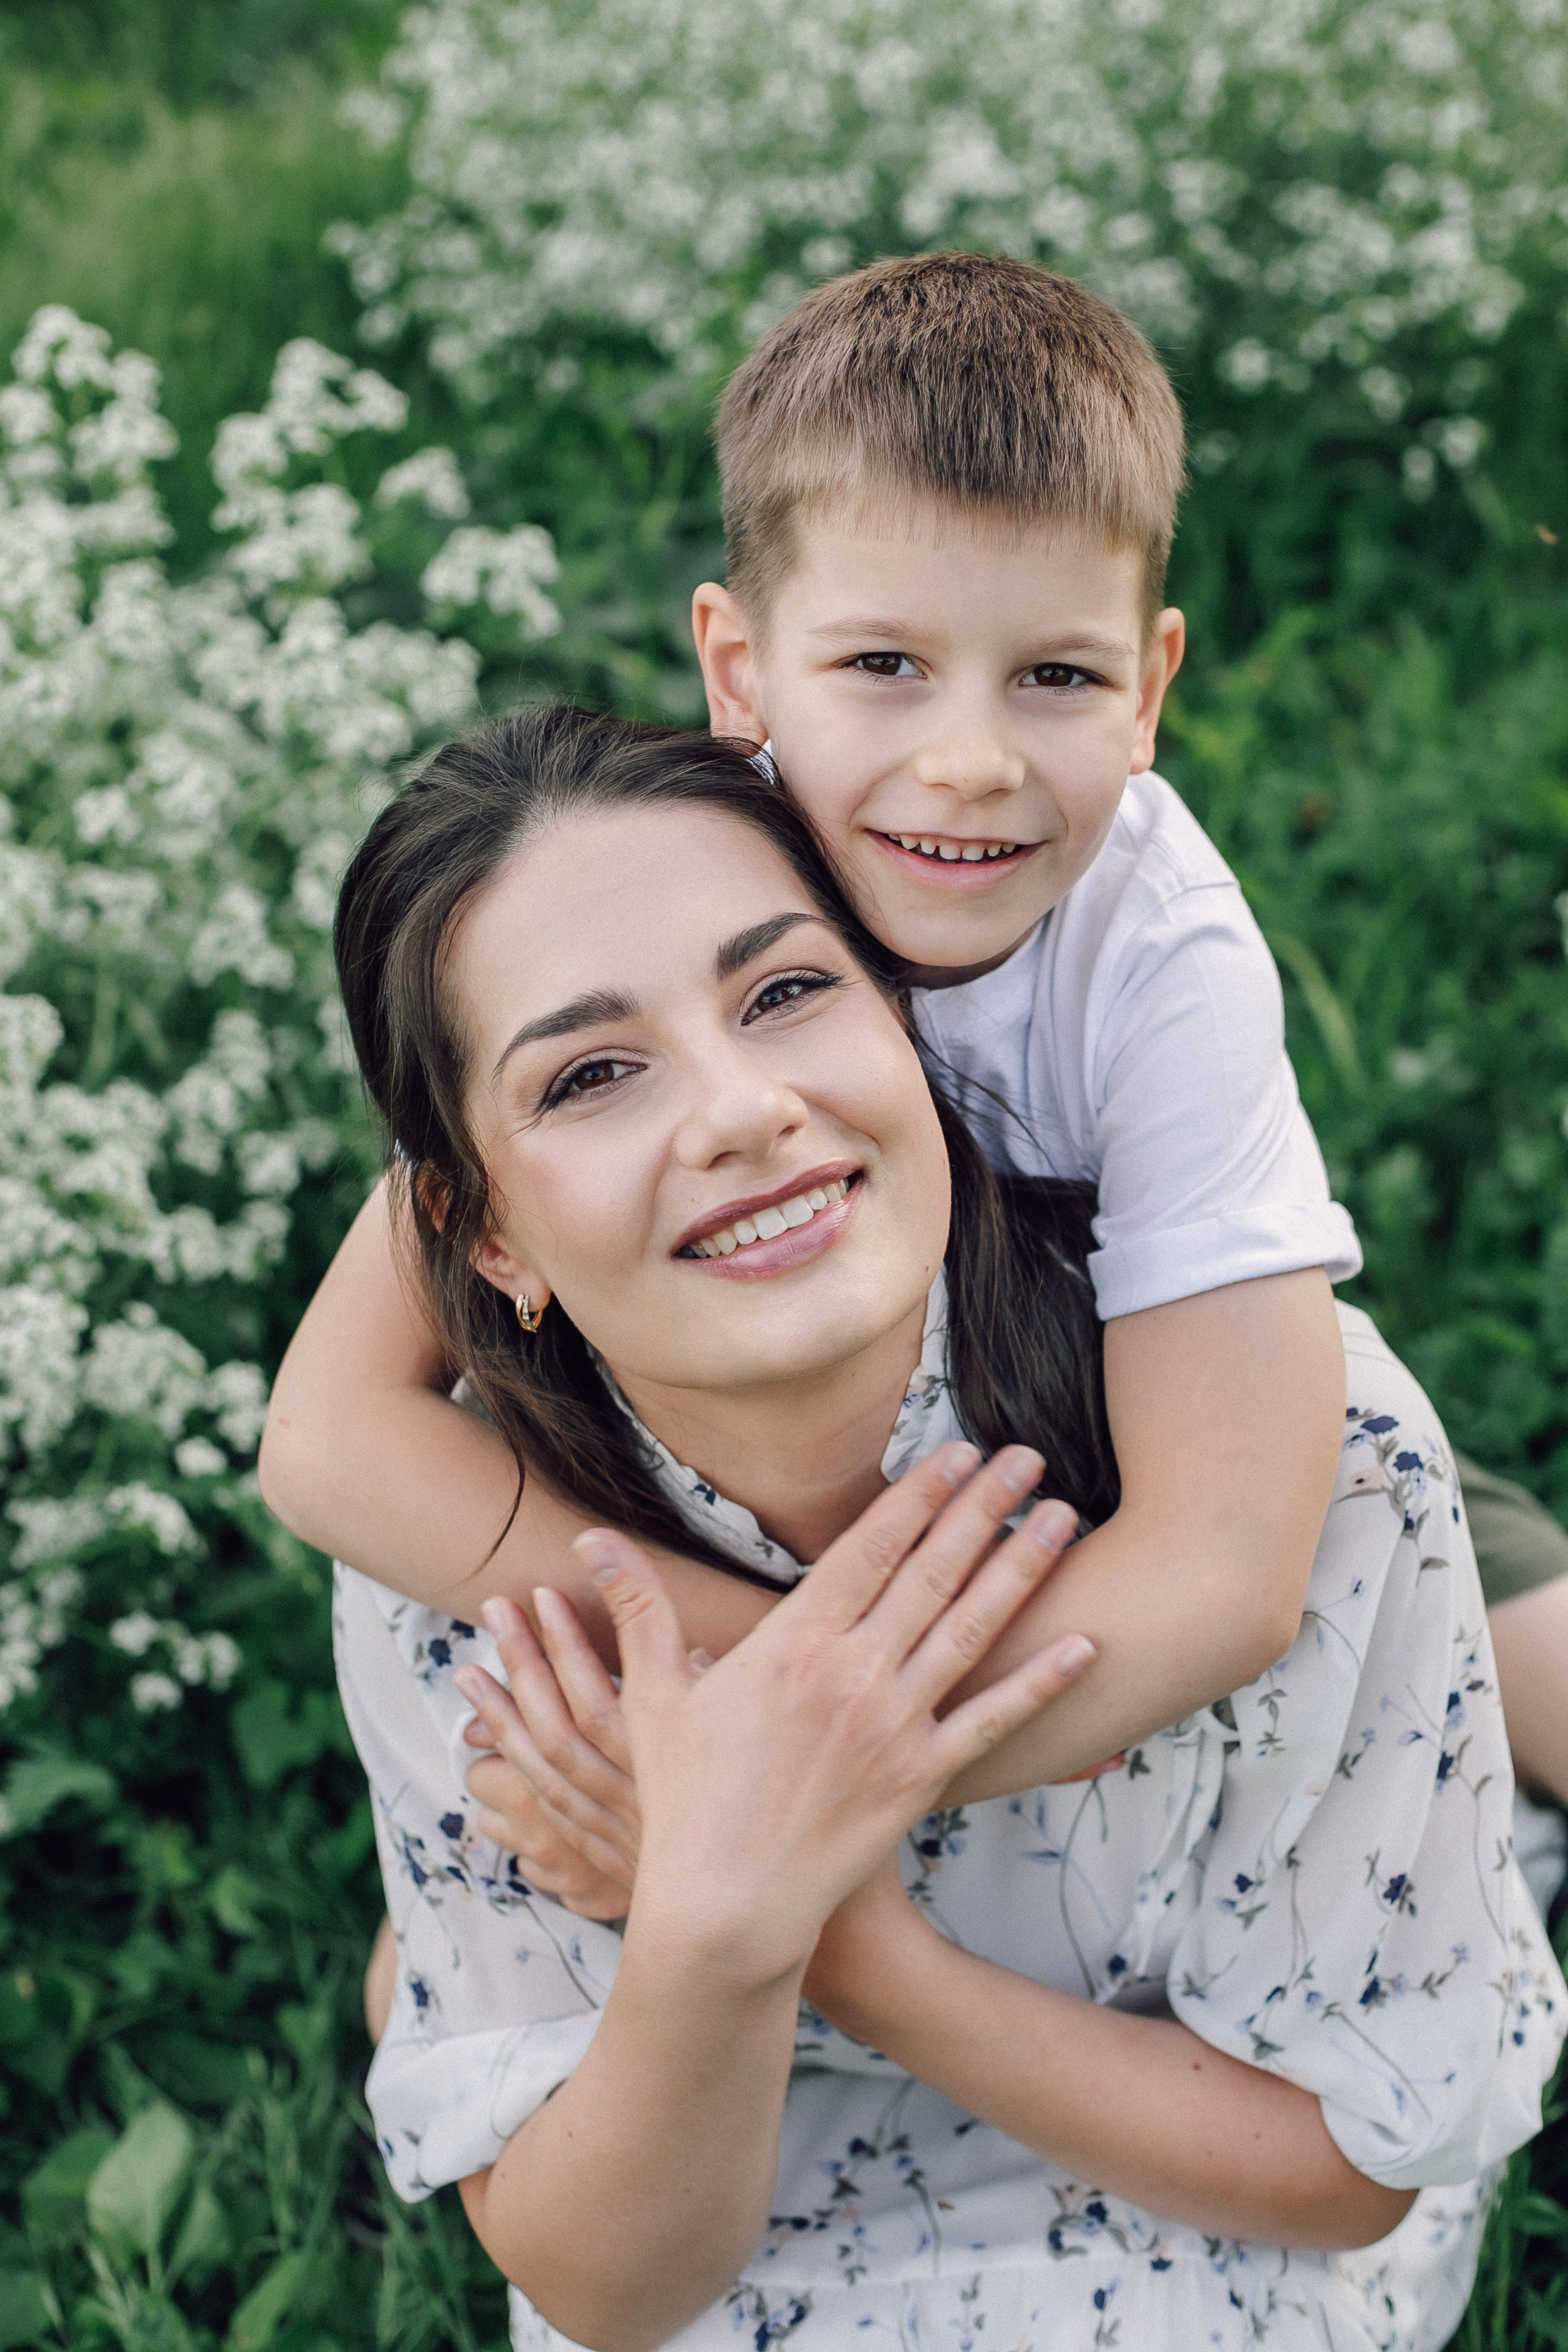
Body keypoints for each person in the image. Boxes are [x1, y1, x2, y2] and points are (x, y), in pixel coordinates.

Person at [261, 249, 1568, 1872]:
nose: (969, 766)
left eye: (1059, 676)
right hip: (783, 1490)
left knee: (1524, 1674)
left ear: (1152, 686)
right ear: (741, 674)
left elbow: (1224, 1570)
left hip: (1192, 1407)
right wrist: (759, 1670)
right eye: (884, 666)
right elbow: (328, 1436)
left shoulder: (1156, 951)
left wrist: (763, 1783)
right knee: (430, 1991)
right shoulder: (676, 887)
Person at [326, 708, 1562, 2352]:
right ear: (481, 1239)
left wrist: (801, 1909)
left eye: (786, 991)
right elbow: (608, 2291)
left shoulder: (1299, 1473)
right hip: (743, 2204)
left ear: (921, 1030)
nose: (738, 1111)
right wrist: (706, 1950)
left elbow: (1343, 2175)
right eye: (592, 1073)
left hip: (1195, 2197)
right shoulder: (463, 1574)